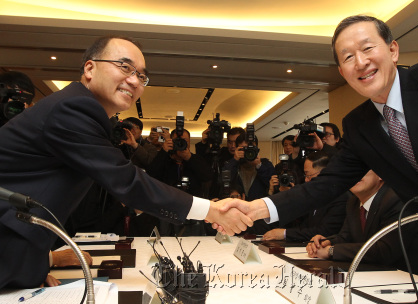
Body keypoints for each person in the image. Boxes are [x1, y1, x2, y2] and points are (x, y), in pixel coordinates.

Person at [218, 15, 418, 298]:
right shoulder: (359, 124)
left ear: (393, 50)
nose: (361, 62)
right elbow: (325, 185)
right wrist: (257, 209)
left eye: (367, 48)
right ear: (342, 71)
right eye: (348, 57)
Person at [0, 35, 250, 289]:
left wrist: (36, 263)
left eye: (142, 76)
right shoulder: (73, 108)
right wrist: (210, 210)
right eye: (124, 67)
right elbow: (128, 182)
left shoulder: (83, 111)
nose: (134, 80)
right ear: (90, 68)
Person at [305, 170, 405, 266]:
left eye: (362, 168)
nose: (355, 173)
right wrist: (325, 243)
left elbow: (384, 250)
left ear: (380, 174)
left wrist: (331, 251)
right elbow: (345, 237)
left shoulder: (395, 199)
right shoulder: (353, 202)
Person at [262, 151, 348, 241]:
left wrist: (284, 233)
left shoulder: (340, 198)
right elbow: (302, 226)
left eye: (308, 175)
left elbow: (325, 232)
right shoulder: (313, 196)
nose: (306, 180)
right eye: (305, 175)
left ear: (323, 173)